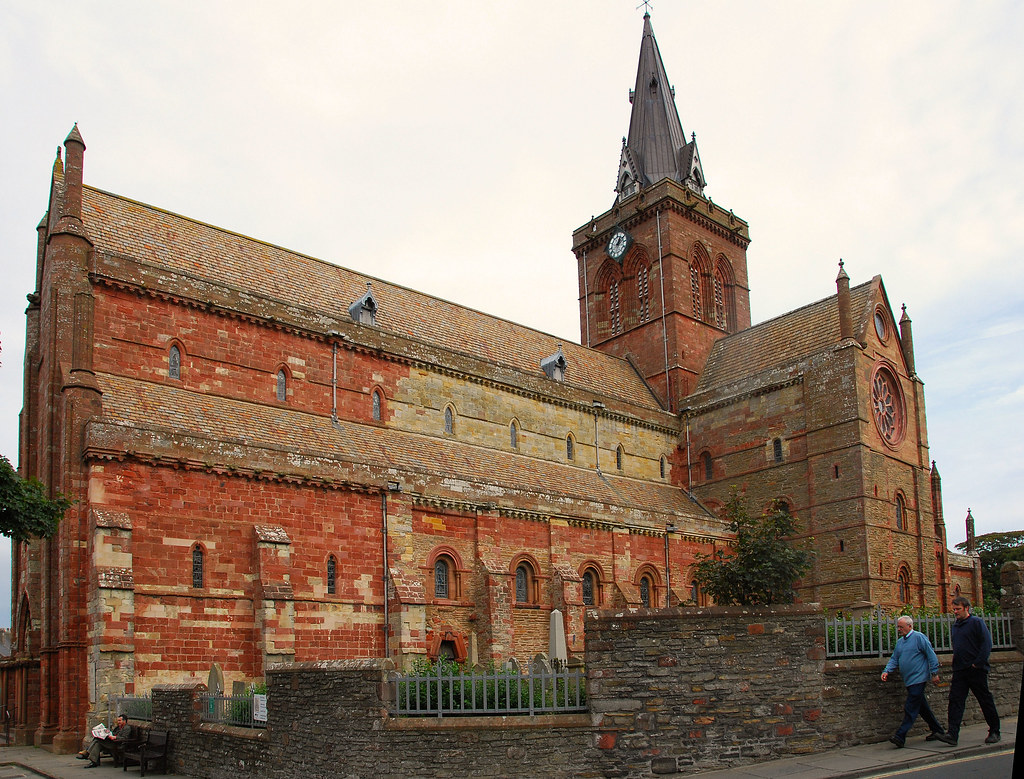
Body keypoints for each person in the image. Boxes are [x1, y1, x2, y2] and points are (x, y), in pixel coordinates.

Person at [935, 595, 1000, 746]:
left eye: (958, 609)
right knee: (955, 701)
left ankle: (995, 731)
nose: (955, 612)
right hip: (960, 670)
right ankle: (952, 734)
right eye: (954, 609)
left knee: (985, 700)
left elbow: (986, 644)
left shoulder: (976, 623)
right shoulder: (956, 626)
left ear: (966, 608)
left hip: (976, 670)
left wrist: (978, 663)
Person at [881, 615, 945, 747]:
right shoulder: (900, 642)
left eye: (901, 627)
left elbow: (930, 654)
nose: (899, 629)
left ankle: (900, 736)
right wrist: (886, 670)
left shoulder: (919, 637)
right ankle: (938, 731)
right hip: (909, 680)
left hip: (919, 678)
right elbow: (895, 658)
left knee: (910, 707)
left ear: (910, 626)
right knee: (922, 707)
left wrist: (934, 673)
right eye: (898, 627)